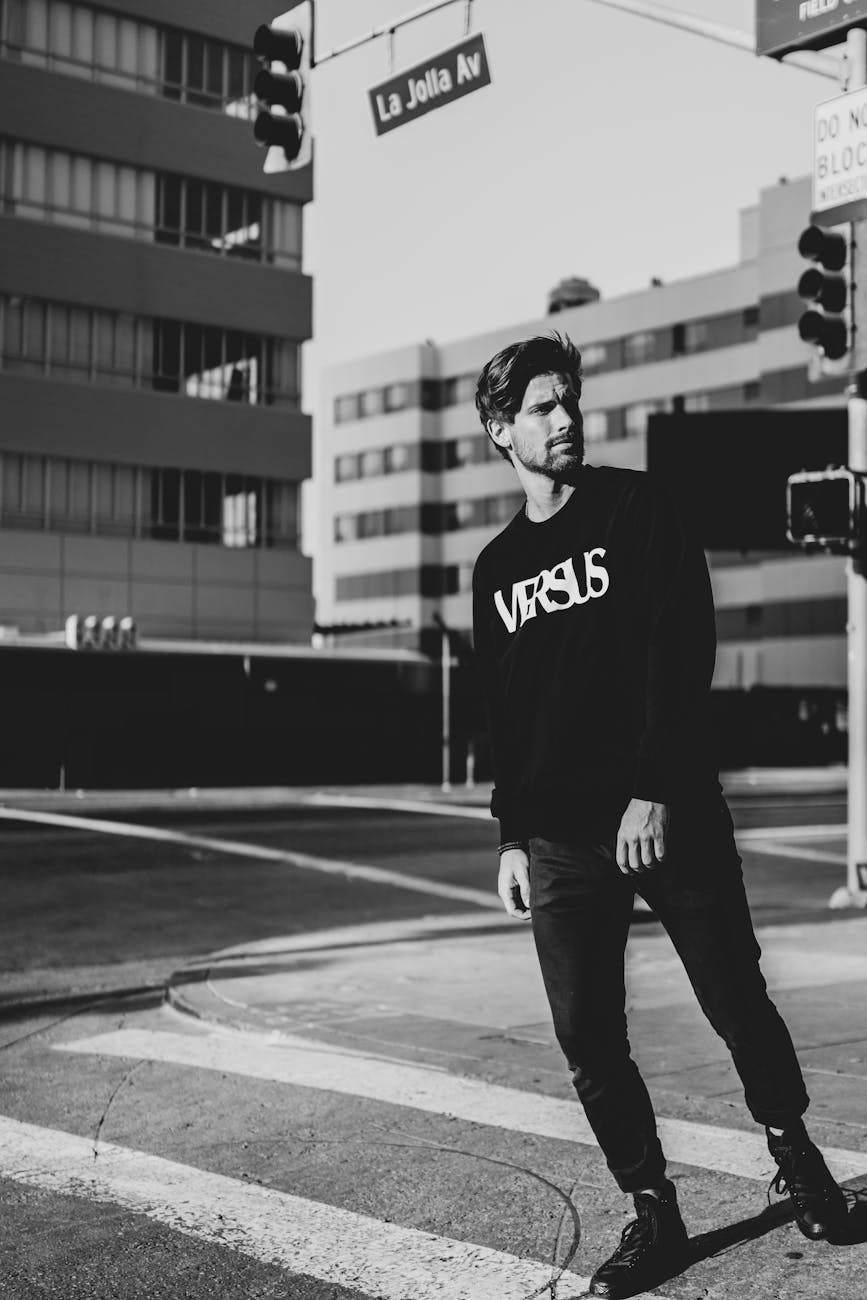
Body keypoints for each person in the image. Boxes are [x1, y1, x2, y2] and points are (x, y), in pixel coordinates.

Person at [470, 332, 848, 1298]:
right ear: (499, 432)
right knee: (587, 1040)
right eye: (543, 408)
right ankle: (652, 1211)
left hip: (666, 811)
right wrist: (510, 834)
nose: (565, 420)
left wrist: (652, 788)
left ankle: (795, 1154)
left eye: (570, 401)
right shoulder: (497, 568)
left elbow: (680, 653)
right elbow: (502, 716)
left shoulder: (637, 506)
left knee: (736, 1002)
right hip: (558, 841)